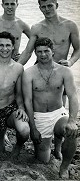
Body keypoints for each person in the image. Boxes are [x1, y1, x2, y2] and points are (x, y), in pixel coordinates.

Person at [22, 37, 78, 178]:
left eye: (46, 51)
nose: (43, 54)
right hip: (39, 116)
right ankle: (54, 147)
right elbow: (28, 101)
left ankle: (64, 167)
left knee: (71, 132)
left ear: (53, 51)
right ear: (35, 53)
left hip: (58, 113)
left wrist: (72, 120)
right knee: (43, 160)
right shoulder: (29, 73)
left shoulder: (64, 71)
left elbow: (73, 97)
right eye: (39, 52)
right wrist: (33, 128)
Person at [18, 0, 80, 67]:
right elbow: (28, 52)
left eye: (50, 6)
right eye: (43, 7)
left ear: (56, 6)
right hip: (40, 69)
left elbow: (78, 49)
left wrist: (70, 62)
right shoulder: (36, 28)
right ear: (40, 8)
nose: (47, 9)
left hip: (60, 68)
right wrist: (15, 67)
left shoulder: (70, 26)